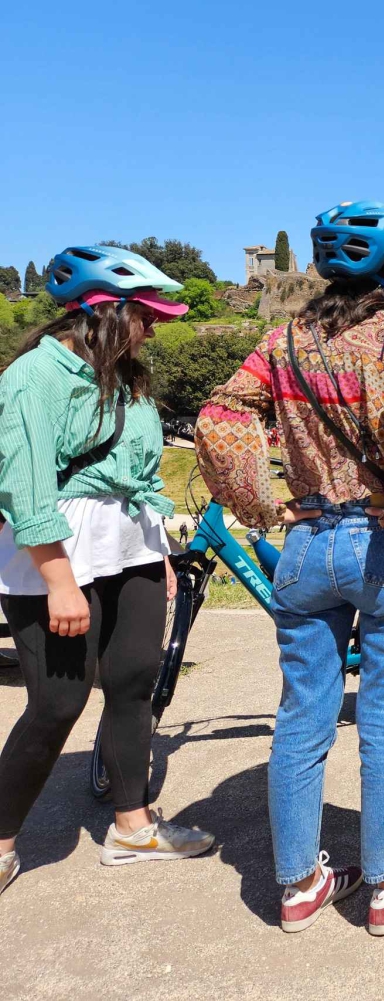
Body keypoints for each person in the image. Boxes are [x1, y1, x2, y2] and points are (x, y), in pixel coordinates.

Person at [197, 200, 384, 935]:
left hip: (308, 543)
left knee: (301, 719)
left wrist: (264, 504)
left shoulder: (282, 343)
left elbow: (219, 417)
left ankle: (300, 884)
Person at [0, 246, 213, 898]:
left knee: (133, 684)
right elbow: (23, 486)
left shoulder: (127, 379)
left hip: (133, 549)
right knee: (59, 702)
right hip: (57, 554)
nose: (155, 328)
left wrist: (157, 550)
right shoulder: (35, 375)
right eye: (146, 316)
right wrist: (60, 579)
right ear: (105, 313)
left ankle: (132, 826)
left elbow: (139, 472)